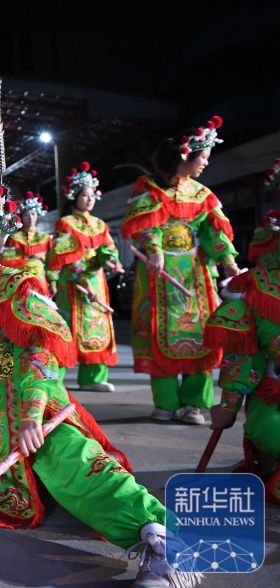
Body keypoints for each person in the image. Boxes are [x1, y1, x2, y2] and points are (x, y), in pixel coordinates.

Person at [0, 164, 196, 588]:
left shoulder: (21, 283)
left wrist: (32, 413)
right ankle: (32, 473)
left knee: (72, 460)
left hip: (31, 401)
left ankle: (162, 540)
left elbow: (41, 351)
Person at [123, 116, 239, 424]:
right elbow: (144, 226)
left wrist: (227, 260)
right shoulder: (147, 190)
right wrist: (154, 249)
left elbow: (216, 232)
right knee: (156, 332)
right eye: (203, 158)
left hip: (195, 276)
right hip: (158, 276)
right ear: (187, 156)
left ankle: (194, 404)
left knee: (199, 336)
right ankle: (166, 403)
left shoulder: (202, 195)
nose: (206, 165)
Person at [203, 210, 280, 504]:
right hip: (274, 389)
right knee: (270, 428)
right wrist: (230, 404)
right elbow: (245, 356)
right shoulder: (257, 286)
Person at [47, 165, 122, 392]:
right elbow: (62, 253)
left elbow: (108, 248)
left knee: (98, 327)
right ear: (75, 197)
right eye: (84, 195)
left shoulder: (100, 224)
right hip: (74, 283)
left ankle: (93, 377)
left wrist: (110, 260)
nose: (89, 200)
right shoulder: (66, 223)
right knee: (68, 328)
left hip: (96, 282)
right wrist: (79, 276)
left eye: (92, 195)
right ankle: (53, 375)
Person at [0, 191, 51, 281]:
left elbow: (53, 262)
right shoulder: (14, 238)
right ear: (21, 217)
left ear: (37, 215)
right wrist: (31, 257)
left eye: (33, 214)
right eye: (26, 215)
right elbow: (7, 261)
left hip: (42, 279)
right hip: (22, 278)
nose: (30, 218)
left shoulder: (45, 237)